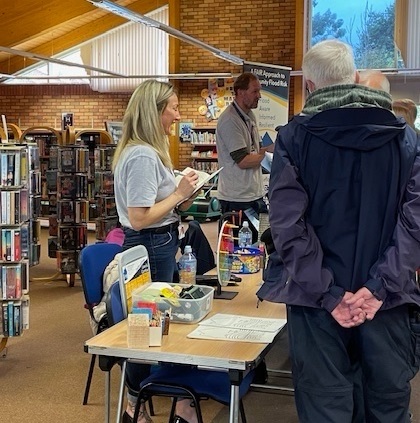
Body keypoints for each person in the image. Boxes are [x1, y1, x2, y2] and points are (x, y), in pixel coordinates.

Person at [268, 39, 420, 423]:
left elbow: (288, 227)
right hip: (386, 304)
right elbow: (414, 224)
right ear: (354, 78)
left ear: (310, 88)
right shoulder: (406, 139)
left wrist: (332, 295)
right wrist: (378, 288)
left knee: (325, 409)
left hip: (318, 306)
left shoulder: (294, 139)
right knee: (386, 406)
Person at [112, 79, 200, 423]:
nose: (177, 116)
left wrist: (184, 193)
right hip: (150, 245)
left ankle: (161, 400)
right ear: (155, 112)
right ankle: (133, 403)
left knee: (159, 324)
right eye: (173, 109)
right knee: (148, 327)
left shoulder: (149, 152)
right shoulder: (143, 156)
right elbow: (138, 216)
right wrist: (178, 194)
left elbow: (156, 206)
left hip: (159, 243)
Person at [216, 72, 273, 217]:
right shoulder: (230, 120)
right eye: (255, 91)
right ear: (240, 93)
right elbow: (243, 160)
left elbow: (257, 151)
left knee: (259, 237)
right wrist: (273, 156)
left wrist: (276, 148)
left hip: (254, 194)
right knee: (240, 240)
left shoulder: (250, 115)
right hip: (237, 199)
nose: (259, 96)